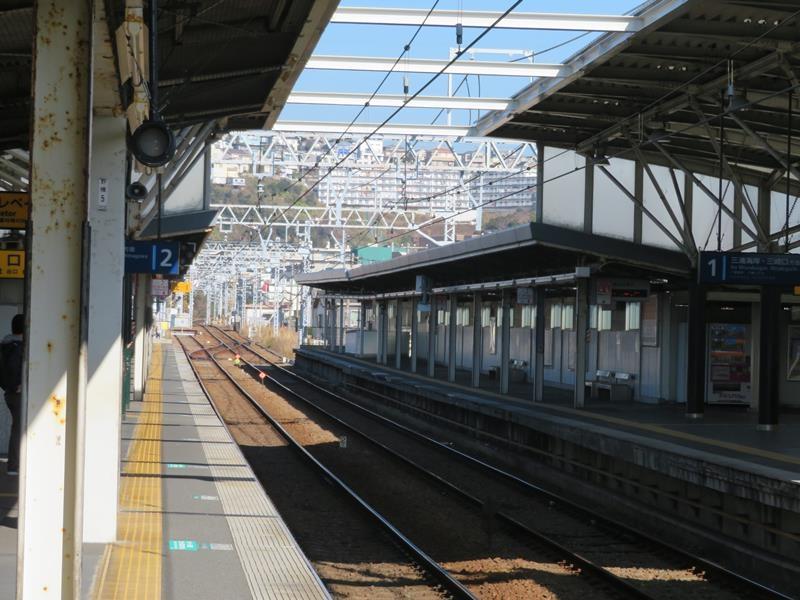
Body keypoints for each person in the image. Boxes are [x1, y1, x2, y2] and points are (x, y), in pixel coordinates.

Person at [1, 314, 23, 476]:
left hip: (9, 393)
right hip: (17, 393)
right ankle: (14, 465)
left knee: (18, 427)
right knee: (19, 428)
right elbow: (15, 367)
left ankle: (15, 464)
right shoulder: (18, 346)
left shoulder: (5, 344)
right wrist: (17, 385)